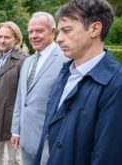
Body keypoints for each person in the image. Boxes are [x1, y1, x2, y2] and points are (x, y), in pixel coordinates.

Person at [35, 0, 122, 164]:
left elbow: (107, 156)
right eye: (59, 32)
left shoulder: (116, 85)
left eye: (66, 31)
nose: (59, 39)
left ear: (94, 29)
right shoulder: (65, 72)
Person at [10, 12, 69, 165]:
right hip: (25, 140)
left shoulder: (66, 59)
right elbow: (21, 98)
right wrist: (16, 130)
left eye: (39, 31)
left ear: (52, 32)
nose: (33, 35)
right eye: (30, 32)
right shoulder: (27, 61)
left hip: (50, 143)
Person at [0, 21, 27, 165]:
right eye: (0, 37)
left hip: (13, 119)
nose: (2, 40)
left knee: (14, 159)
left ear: (16, 39)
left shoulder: (23, 60)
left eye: (7, 37)